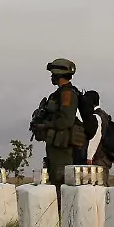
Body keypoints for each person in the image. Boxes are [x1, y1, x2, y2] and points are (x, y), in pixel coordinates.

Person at [30, 58, 85, 207]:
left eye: (53, 74)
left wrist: (44, 125)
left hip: (62, 147)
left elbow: (65, 121)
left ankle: (64, 217)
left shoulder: (67, 94)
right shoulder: (58, 94)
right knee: (54, 179)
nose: (51, 77)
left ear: (58, 74)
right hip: (55, 145)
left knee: (60, 182)